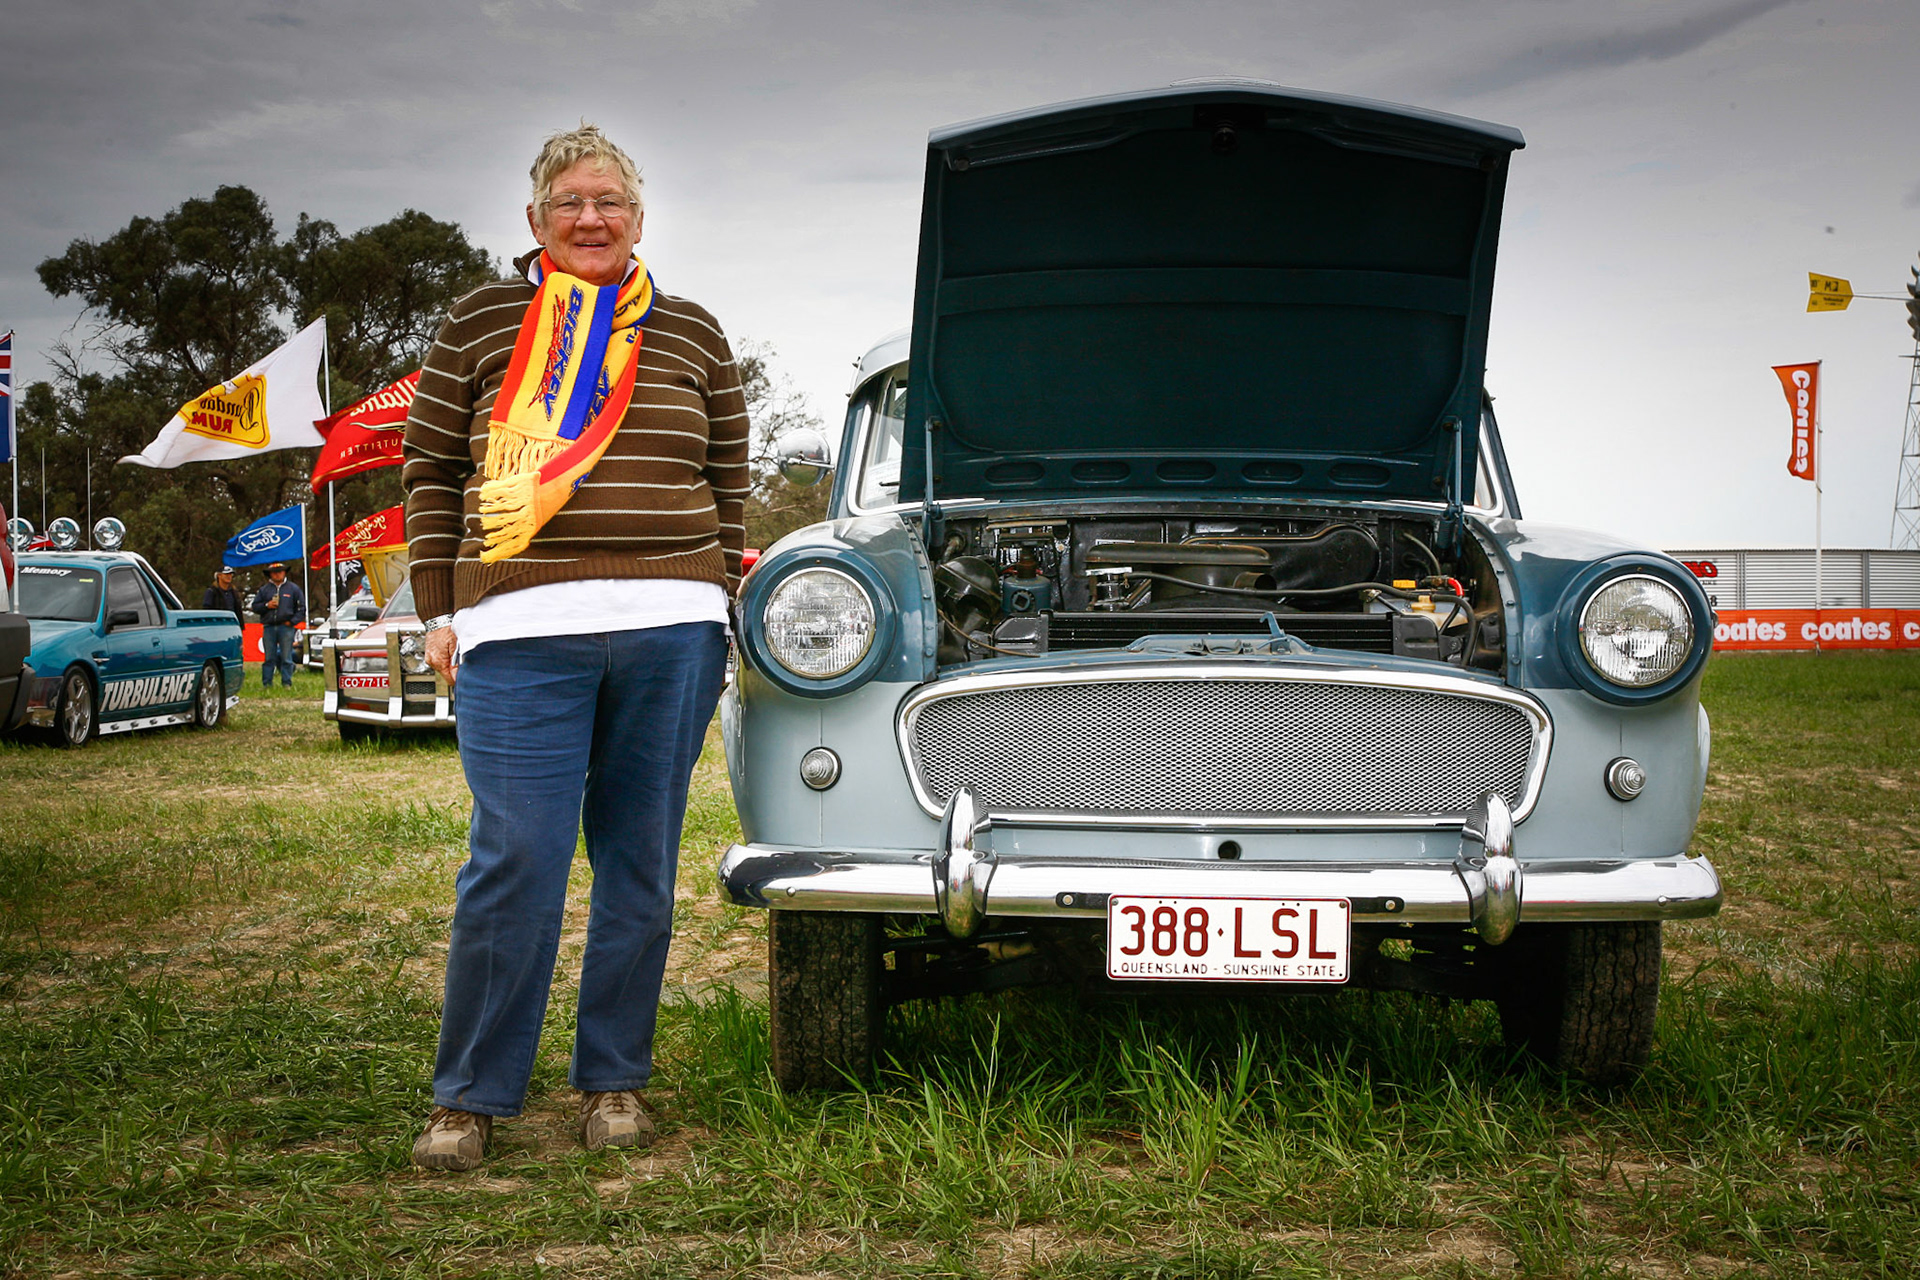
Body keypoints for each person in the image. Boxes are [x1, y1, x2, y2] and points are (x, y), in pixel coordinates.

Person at [401, 123, 747, 1172]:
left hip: (671, 628)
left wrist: (721, 598)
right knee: (516, 859)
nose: (591, 218)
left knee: (639, 862)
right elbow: (426, 472)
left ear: (640, 219)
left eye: (611, 202)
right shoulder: (479, 320)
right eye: (570, 202)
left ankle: (614, 1082)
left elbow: (730, 481)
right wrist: (437, 606)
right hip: (517, 626)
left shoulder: (689, 330)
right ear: (534, 219)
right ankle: (470, 1096)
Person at [250, 562, 306, 687]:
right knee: (269, 658)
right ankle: (267, 684)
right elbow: (255, 606)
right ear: (270, 574)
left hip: (286, 627)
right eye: (274, 572)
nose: (277, 574)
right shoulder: (264, 590)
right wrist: (266, 605)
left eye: (280, 571)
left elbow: (301, 608)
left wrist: (291, 622)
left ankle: (287, 683)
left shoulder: (293, 589)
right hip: (269, 627)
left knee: (286, 657)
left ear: (285, 572)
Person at [202, 567, 247, 688]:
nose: (229, 577)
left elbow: (238, 611)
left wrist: (240, 628)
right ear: (219, 576)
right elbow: (206, 610)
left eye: (231, 574)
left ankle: (231, 679)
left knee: (232, 654)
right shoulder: (211, 592)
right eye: (226, 574)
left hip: (231, 628)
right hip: (216, 629)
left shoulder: (234, 592)